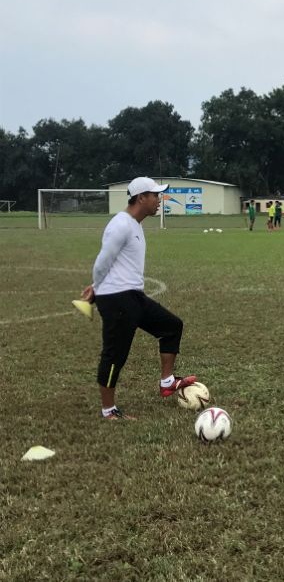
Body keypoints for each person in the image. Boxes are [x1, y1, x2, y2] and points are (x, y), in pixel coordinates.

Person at [79, 177, 196, 419]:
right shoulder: (120, 225)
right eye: (155, 195)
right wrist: (96, 288)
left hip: (133, 296)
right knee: (115, 354)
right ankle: (109, 410)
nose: (159, 200)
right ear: (141, 198)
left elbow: (113, 262)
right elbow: (102, 262)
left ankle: (167, 382)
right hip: (117, 298)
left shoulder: (135, 224)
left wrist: (95, 286)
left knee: (171, 326)